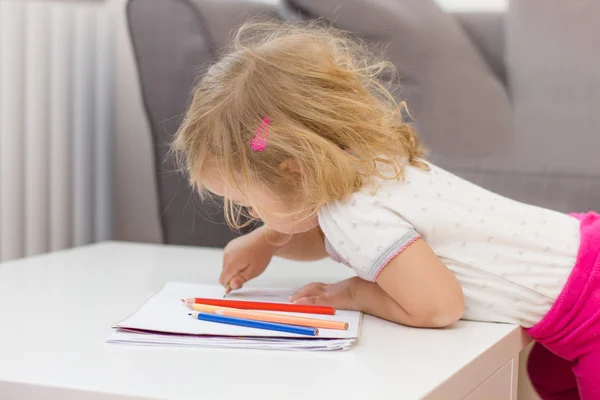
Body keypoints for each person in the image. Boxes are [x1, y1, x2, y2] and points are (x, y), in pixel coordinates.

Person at [172, 20, 600, 399]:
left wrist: (356, 293)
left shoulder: (356, 215)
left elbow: (437, 306)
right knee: (550, 379)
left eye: (248, 204)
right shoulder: (365, 165)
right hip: (583, 260)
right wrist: (266, 241)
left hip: (590, 310)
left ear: (296, 174)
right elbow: (325, 234)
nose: (251, 214)